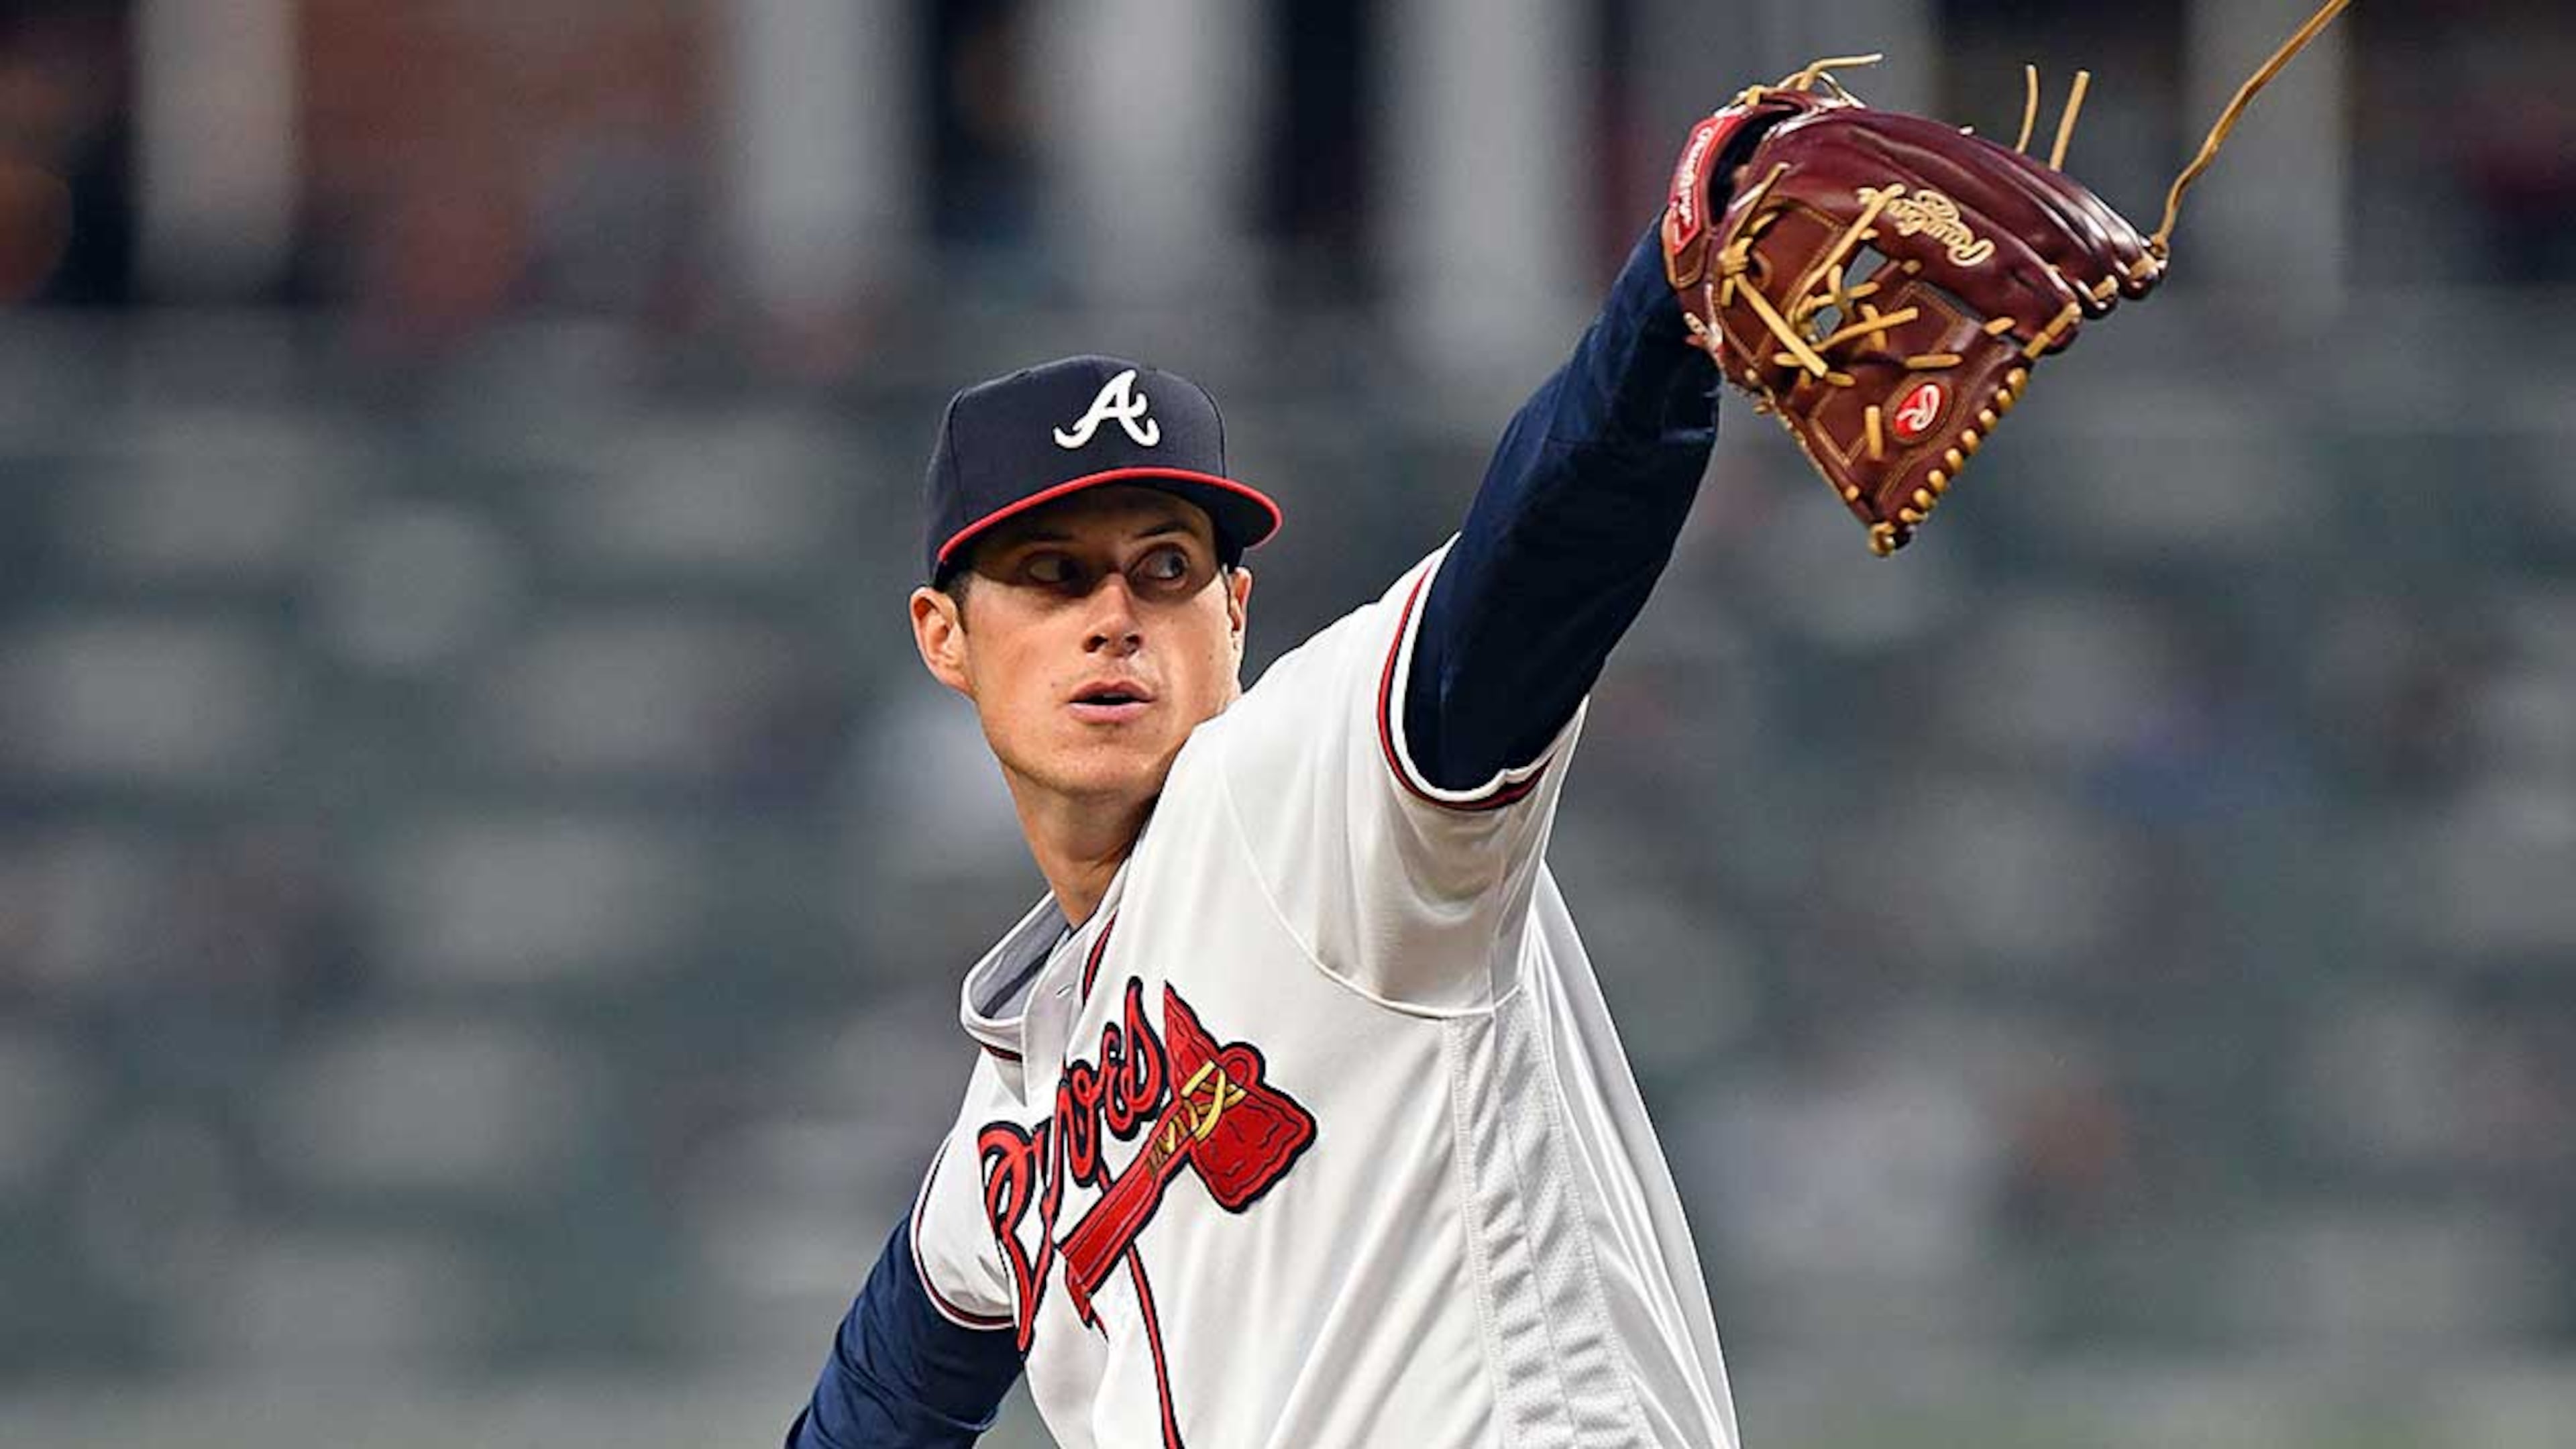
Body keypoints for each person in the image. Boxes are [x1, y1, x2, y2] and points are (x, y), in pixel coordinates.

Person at [787, 217, 1735, 1448]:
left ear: (1234, 615)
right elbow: (882, 1395)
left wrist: (1663, 312)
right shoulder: (1015, 1106)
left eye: (1165, 570)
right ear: (944, 636)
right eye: (1054, 575)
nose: (1115, 616)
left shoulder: (1304, 792)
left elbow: (1531, 573)